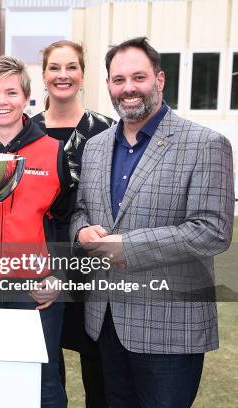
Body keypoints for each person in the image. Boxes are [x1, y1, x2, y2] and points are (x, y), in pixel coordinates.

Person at [70, 37, 234, 408]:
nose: (128, 88)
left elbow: (212, 231)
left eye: (138, 77)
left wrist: (128, 247)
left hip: (170, 328)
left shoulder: (205, 144)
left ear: (159, 79)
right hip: (106, 320)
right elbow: (80, 210)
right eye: (118, 79)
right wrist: (81, 231)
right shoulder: (95, 146)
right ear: (108, 84)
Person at [0, 56, 72, 408]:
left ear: (26, 98)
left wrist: (58, 275)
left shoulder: (52, 150)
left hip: (34, 289)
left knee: (43, 380)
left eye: (11, 92)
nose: (2, 101)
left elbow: (66, 218)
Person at [32, 40, 115, 408]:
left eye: (71, 67)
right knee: (46, 361)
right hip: (38, 257)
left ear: (82, 73)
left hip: (91, 255)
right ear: (43, 74)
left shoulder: (107, 130)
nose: (62, 75)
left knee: (96, 359)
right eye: (54, 67)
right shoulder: (26, 130)